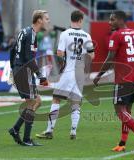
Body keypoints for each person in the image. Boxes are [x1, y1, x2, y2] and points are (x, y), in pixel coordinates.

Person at [93, 11, 134, 153]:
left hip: (123, 80)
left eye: (112, 20)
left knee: (120, 111)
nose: (109, 23)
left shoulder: (116, 35)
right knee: (127, 112)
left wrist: (98, 75)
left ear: (120, 20)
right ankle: (122, 143)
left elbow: (110, 58)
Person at [36, 10, 94, 140]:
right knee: (76, 102)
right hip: (80, 73)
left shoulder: (65, 34)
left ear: (71, 19)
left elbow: (60, 53)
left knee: (56, 98)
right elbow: (91, 55)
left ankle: (49, 131)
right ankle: (73, 132)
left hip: (68, 71)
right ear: (80, 20)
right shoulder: (87, 35)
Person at [8, 10, 50, 146]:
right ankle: (26, 139)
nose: (48, 21)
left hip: (19, 69)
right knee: (33, 103)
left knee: (37, 101)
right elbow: (29, 58)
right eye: (46, 19)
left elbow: (12, 50)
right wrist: (40, 75)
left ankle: (15, 129)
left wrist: (13, 68)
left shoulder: (24, 31)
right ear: (39, 20)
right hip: (23, 70)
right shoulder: (31, 34)